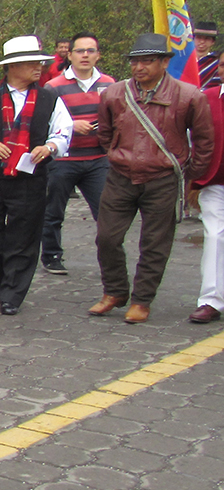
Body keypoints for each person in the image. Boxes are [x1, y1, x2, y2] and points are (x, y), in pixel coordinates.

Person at [89, 33, 213, 324]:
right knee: (107, 237)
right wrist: (117, 154)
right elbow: (104, 133)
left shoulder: (189, 95)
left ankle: (142, 300)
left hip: (163, 179)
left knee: (155, 244)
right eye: (135, 62)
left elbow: (204, 140)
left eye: (147, 61)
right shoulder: (114, 94)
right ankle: (115, 291)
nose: (139, 67)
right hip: (120, 176)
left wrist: (188, 173)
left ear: (164, 63)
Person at [0, 36, 72, 315]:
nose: (38, 67)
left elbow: (63, 132)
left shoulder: (49, 99)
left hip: (30, 179)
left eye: (39, 62)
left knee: (24, 235)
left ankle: (13, 293)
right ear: (12, 67)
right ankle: (2, 282)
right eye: (31, 63)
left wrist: (49, 147)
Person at [40, 32, 116, 274]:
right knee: (53, 211)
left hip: (98, 159)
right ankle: (51, 255)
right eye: (80, 51)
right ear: (69, 55)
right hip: (64, 159)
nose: (85, 55)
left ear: (98, 55)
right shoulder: (54, 87)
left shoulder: (110, 84)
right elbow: (44, 122)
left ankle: (110, 258)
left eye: (90, 51)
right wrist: (72, 125)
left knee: (107, 212)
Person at [191, 74, 224, 323]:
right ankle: (211, 301)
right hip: (215, 181)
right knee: (214, 235)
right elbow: (192, 138)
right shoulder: (207, 98)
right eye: (222, 64)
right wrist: (193, 177)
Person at [195, 21, 220, 89]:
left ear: (213, 42)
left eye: (207, 38)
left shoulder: (217, 63)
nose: (202, 41)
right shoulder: (184, 60)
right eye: (199, 37)